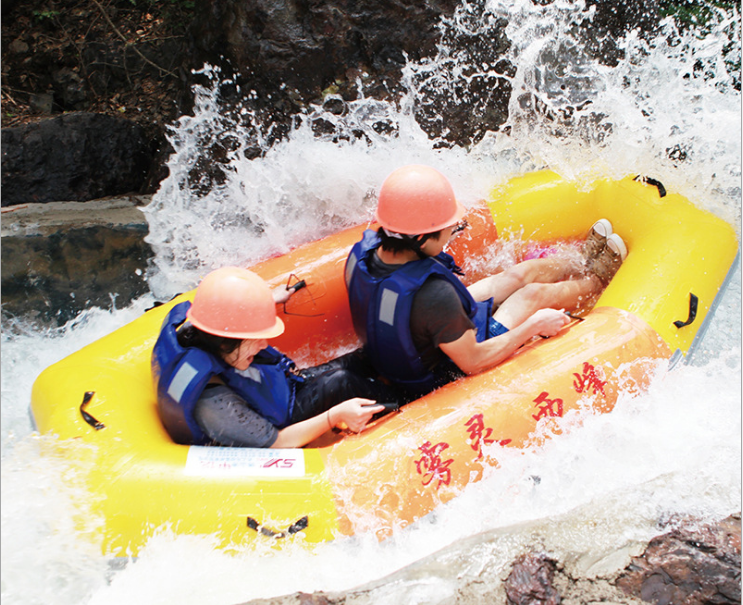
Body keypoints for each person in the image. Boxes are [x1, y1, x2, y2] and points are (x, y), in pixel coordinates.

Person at [345, 164, 627, 399]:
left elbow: (417, 305)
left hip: (420, 327)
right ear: (420, 237)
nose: (451, 234)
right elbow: (473, 362)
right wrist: (534, 326)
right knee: (532, 295)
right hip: (448, 363)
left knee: (517, 275)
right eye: (446, 230)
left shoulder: (364, 256)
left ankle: (579, 261)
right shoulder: (434, 295)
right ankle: (597, 280)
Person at [153, 266, 400, 448]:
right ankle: (409, 403)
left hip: (277, 391)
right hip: (282, 424)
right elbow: (278, 443)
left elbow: (223, 319)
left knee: (358, 359)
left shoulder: (203, 334)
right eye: (255, 339)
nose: (264, 345)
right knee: (342, 381)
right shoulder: (214, 406)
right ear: (225, 342)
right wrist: (334, 416)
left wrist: (263, 303)